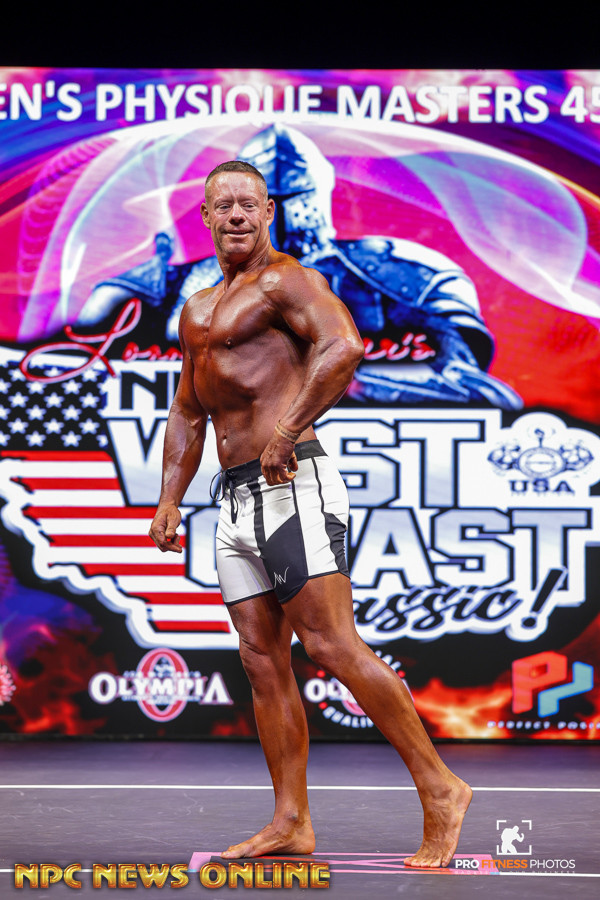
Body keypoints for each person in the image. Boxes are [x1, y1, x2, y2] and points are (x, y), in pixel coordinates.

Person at [148, 160, 472, 868]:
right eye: (223, 206)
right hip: (235, 497)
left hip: (293, 483)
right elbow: (188, 409)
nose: (236, 215)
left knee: (330, 644)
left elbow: (344, 345)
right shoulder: (197, 308)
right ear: (205, 217)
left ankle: (441, 788)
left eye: (249, 204)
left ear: (270, 212)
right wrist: (170, 496)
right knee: (262, 659)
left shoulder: (285, 281)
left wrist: (288, 430)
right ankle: (291, 821)